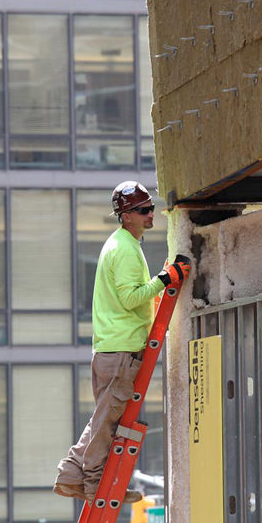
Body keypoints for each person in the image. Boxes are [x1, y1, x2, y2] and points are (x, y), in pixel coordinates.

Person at [54, 181, 190, 503]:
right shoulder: (126, 249)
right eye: (143, 210)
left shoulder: (119, 244)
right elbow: (130, 298)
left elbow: (127, 296)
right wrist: (166, 279)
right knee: (107, 421)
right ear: (126, 216)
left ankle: (71, 474)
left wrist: (157, 282)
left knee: (103, 417)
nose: (150, 214)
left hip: (110, 349)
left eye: (150, 208)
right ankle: (96, 485)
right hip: (121, 350)